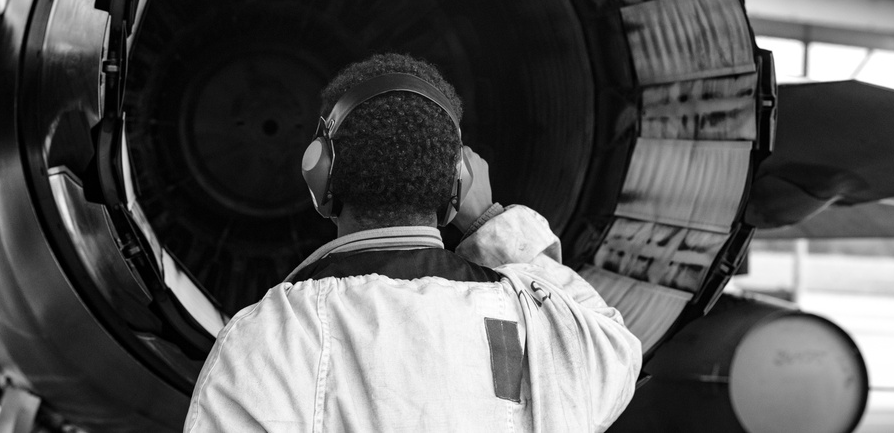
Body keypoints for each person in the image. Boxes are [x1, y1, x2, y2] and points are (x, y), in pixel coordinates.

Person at [183, 52, 641, 432]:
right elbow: (614, 345)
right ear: (456, 185)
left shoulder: (266, 339)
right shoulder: (534, 326)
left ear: (320, 177)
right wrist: (488, 222)